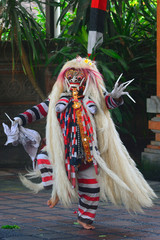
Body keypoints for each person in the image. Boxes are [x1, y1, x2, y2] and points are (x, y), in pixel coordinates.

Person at [3, 57, 156, 230]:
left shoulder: (94, 98)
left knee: (91, 189)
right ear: (64, 79)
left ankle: (85, 218)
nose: (74, 81)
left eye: (79, 78)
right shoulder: (57, 99)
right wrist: (20, 119)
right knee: (43, 157)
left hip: (88, 152)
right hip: (62, 149)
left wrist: (115, 97)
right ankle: (57, 189)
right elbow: (39, 110)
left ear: (88, 79)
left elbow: (108, 103)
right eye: (70, 77)